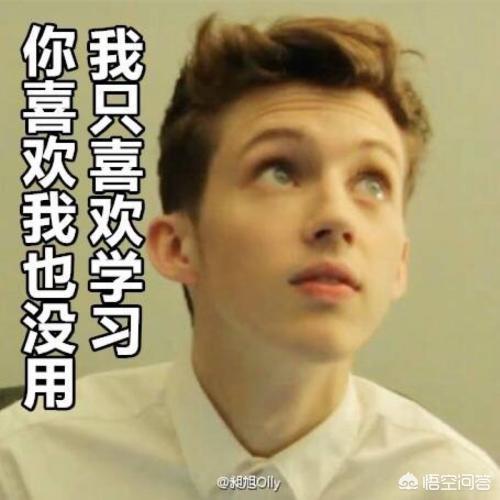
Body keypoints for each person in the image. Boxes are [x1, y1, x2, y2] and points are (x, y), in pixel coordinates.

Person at [0, 13, 498, 500]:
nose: (337, 217)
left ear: (399, 264)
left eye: (371, 182)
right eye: (279, 171)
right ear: (177, 247)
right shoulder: (26, 467)